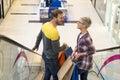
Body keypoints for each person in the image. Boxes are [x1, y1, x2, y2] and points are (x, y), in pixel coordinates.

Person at [32, 9, 67, 80]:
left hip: (45, 55)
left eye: (63, 17)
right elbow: (56, 49)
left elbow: (39, 36)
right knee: (56, 75)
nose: (62, 19)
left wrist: (36, 45)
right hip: (52, 58)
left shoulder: (45, 24)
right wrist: (64, 46)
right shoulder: (54, 32)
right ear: (54, 18)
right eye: (60, 18)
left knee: (48, 72)